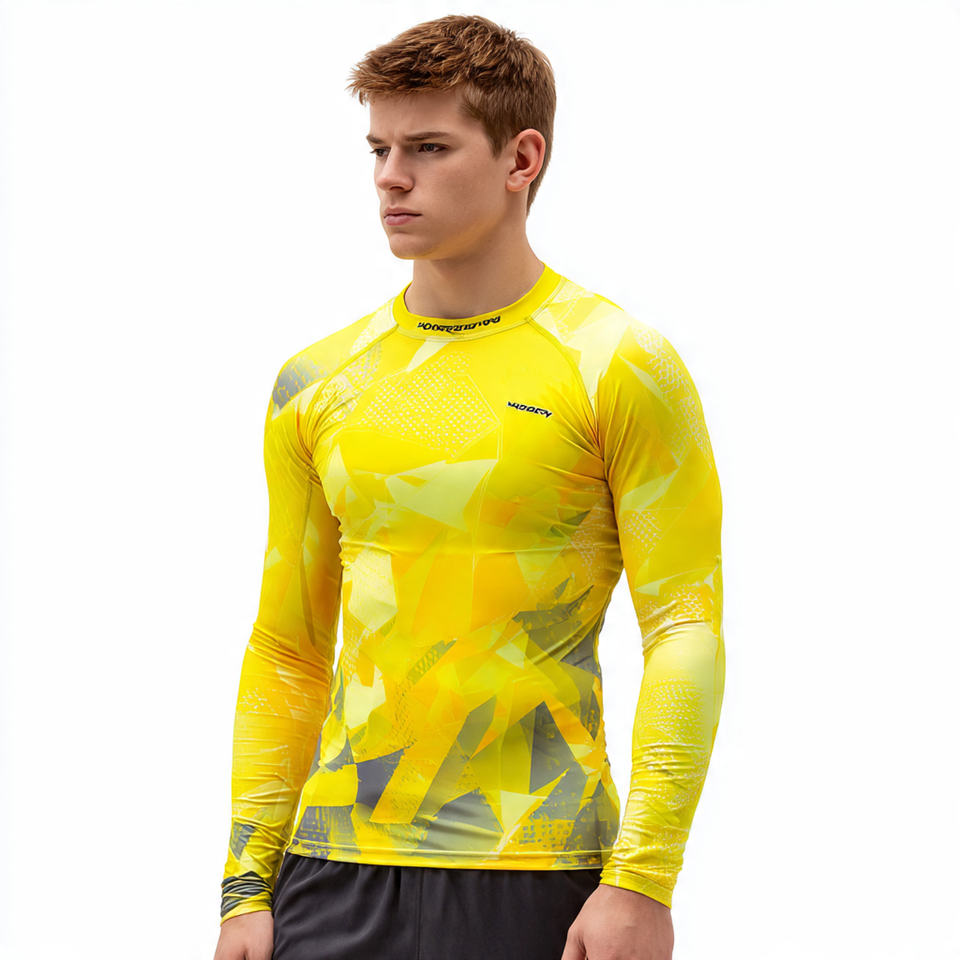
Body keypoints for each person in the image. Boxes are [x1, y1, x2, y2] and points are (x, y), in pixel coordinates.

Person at [213, 14, 724, 960]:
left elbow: (684, 628)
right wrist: (245, 885)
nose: (390, 177)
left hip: (539, 868)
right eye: (379, 149)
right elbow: (287, 649)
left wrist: (643, 880)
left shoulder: (618, 365)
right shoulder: (317, 381)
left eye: (429, 147)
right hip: (330, 872)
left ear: (521, 158)